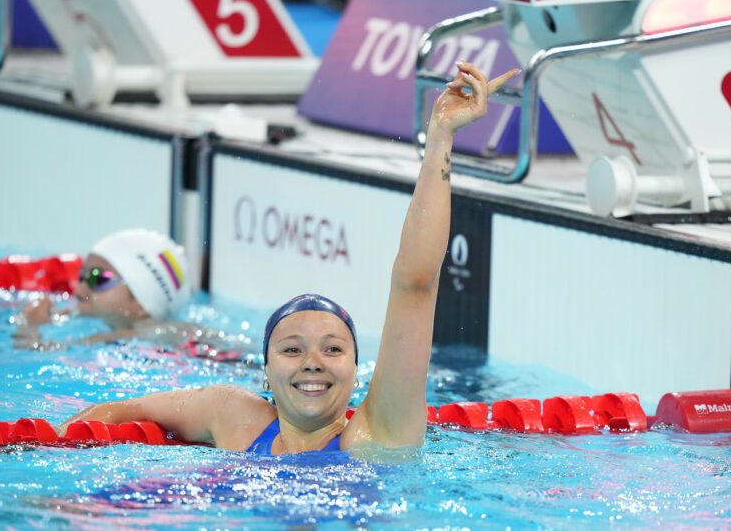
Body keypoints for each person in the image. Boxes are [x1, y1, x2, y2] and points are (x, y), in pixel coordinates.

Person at [57, 62, 521, 453]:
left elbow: (415, 283)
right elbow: (128, 410)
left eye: (333, 349)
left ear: (358, 370)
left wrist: (440, 136)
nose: (313, 362)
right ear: (265, 369)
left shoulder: (379, 432)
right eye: (292, 349)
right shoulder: (233, 416)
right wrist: (54, 445)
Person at [14, 229, 243, 359]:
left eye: (97, 278)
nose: (79, 289)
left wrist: (28, 326)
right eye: (82, 276)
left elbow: (39, 353)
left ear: (141, 302)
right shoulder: (146, 331)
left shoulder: (134, 333)